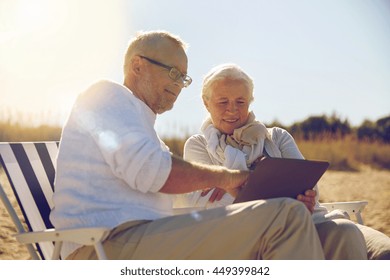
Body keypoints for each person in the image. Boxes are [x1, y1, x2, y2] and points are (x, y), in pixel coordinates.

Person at [49, 30, 326, 260]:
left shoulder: (143, 127)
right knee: (285, 216)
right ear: (137, 66)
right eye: (173, 73)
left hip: (145, 240)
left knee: (294, 225)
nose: (180, 85)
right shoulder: (105, 94)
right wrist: (229, 177)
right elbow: (154, 171)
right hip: (106, 247)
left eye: (184, 78)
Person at [179, 63, 389, 260]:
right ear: (206, 103)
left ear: (250, 102)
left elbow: (309, 186)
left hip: (303, 219)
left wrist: (305, 197)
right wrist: (281, 200)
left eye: (240, 102)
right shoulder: (198, 145)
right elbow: (209, 204)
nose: (232, 109)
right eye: (223, 102)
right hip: (243, 234)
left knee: (346, 231)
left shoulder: (277, 137)